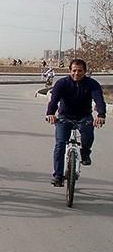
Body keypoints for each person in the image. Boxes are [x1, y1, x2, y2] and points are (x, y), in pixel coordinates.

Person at [45, 59, 106, 187]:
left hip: (84, 116)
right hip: (64, 116)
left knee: (88, 133)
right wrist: (50, 113)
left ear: (85, 71)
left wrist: (101, 115)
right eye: (74, 70)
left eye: (80, 71)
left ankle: (85, 153)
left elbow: (99, 99)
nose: (76, 73)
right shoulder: (62, 83)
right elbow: (54, 99)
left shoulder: (92, 84)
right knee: (60, 144)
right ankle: (57, 176)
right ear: (69, 71)